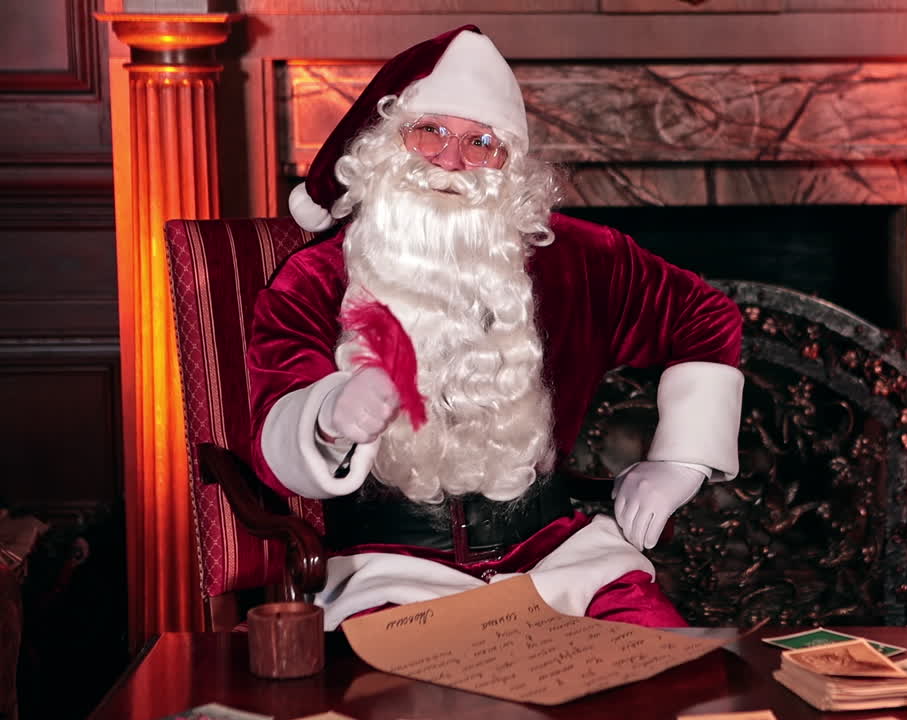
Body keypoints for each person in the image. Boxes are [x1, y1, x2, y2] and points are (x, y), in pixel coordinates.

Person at [247, 25, 744, 631]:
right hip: (389, 569)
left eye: (481, 142)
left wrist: (681, 462)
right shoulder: (317, 277)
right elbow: (275, 423)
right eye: (429, 130)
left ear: (509, 166)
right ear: (383, 144)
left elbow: (704, 315)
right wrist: (327, 415)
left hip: (559, 558)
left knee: (667, 678)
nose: (451, 160)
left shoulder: (577, 260)